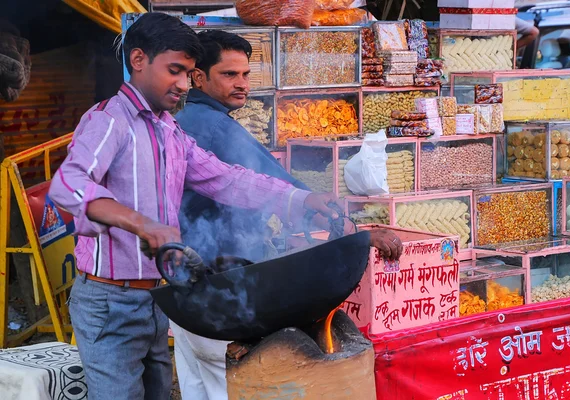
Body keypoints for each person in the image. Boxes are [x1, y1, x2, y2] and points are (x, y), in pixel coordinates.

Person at [48, 13, 348, 400]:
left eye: (189, 73)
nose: (183, 84)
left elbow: (227, 178)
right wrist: (141, 224)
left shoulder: (168, 129)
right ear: (138, 60)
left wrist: (301, 198)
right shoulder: (109, 121)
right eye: (175, 70)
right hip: (110, 301)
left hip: (157, 296)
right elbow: (68, 185)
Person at [173, 30, 403, 400]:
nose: (242, 84)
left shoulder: (183, 119)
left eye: (246, 75)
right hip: (223, 284)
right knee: (228, 383)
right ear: (198, 77)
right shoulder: (214, 126)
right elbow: (280, 188)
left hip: (184, 278)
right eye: (229, 75)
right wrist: (353, 234)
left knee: (196, 382)